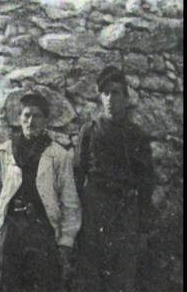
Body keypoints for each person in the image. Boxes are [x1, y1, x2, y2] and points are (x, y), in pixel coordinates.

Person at [0, 92, 82, 292]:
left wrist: (66, 241)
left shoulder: (58, 156)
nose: (31, 121)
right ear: (19, 119)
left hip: (41, 229)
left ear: (46, 121)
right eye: (26, 115)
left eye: (37, 116)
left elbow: (70, 201)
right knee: (7, 283)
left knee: (42, 284)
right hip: (10, 229)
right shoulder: (4, 152)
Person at [74, 66, 154, 292]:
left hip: (125, 211)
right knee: (90, 274)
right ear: (100, 97)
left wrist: (144, 224)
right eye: (106, 93)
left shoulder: (136, 135)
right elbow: (78, 175)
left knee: (123, 276)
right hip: (95, 210)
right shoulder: (89, 131)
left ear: (126, 98)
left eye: (116, 92)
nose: (110, 98)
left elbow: (147, 180)